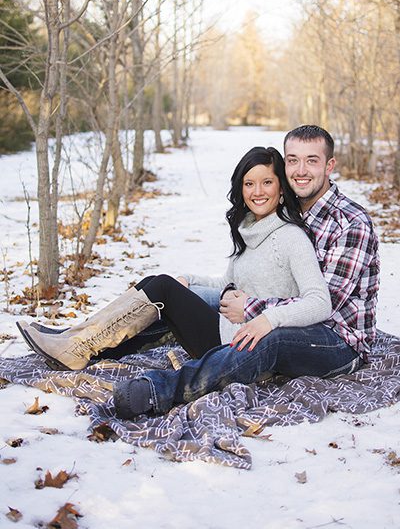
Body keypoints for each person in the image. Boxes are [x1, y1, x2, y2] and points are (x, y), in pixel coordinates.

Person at [17, 146, 334, 414]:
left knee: (163, 288)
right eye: (249, 184)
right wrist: (189, 279)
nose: (257, 191)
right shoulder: (250, 231)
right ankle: (81, 343)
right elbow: (228, 283)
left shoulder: (291, 237)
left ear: (281, 189)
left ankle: (77, 344)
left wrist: (267, 320)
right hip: (229, 331)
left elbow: (320, 302)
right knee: (166, 284)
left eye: (267, 182)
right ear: (240, 189)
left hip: (242, 349)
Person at [112, 124, 380, 418]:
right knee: (175, 291)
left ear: (329, 166)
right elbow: (243, 280)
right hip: (279, 311)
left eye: (312, 161)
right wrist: (191, 283)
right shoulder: (287, 210)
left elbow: (324, 304)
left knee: (268, 339)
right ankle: (92, 345)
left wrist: (254, 311)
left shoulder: (351, 223)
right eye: (293, 160)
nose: (301, 170)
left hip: (336, 340)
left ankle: (159, 390)